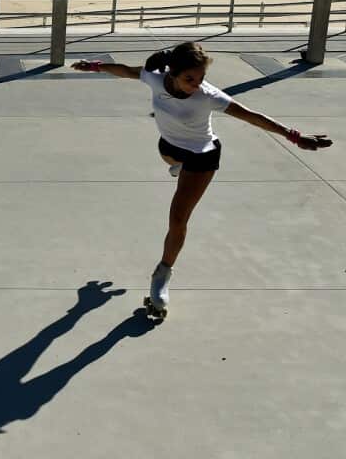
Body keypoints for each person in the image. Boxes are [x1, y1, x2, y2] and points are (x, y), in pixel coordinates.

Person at [71, 42, 332, 319]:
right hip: (170, 148)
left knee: (177, 220)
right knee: (168, 156)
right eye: (190, 79)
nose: (196, 85)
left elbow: (252, 116)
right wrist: (95, 66)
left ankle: (162, 276)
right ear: (171, 73)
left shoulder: (208, 96)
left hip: (201, 157)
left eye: (200, 79)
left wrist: (294, 136)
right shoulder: (155, 77)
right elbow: (125, 70)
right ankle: (178, 168)